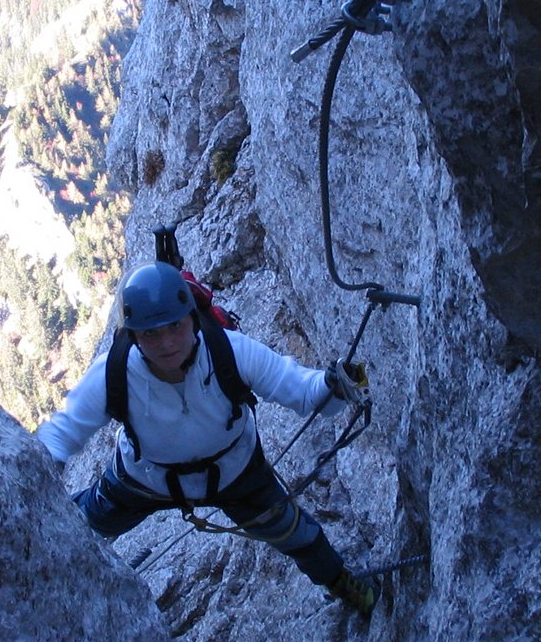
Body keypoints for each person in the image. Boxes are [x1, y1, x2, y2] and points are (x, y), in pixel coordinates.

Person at [36, 261, 379, 615]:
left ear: (192, 318)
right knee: (76, 523)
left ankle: (339, 581)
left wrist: (333, 385)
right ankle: (37, 566)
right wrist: (33, 475)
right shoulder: (114, 372)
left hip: (232, 473)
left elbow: (302, 391)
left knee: (298, 534)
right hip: (150, 477)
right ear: (133, 335)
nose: (167, 343)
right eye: (151, 334)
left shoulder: (229, 351)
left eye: (175, 326)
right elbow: (63, 432)